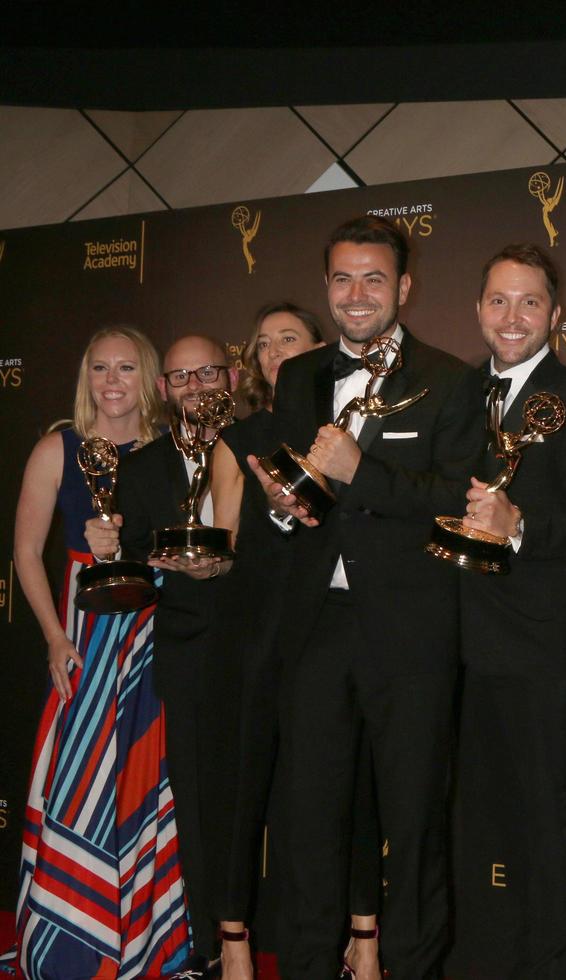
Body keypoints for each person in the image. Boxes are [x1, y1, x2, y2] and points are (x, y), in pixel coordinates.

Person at [246, 216, 483, 977]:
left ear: (404, 287)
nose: (357, 294)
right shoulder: (298, 375)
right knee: (309, 823)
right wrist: (283, 510)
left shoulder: (449, 379)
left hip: (411, 636)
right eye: (343, 279)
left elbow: (456, 500)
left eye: (374, 278)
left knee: (414, 827)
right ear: (327, 287)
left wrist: (361, 471)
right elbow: (294, 500)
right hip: (316, 630)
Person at [450, 244, 566, 979]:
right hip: (462, 644)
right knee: (481, 824)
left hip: (547, 648)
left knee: (551, 825)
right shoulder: (456, 398)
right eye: (497, 300)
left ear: (554, 314)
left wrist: (518, 524)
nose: (511, 316)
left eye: (528, 302)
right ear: (478, 310)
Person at [5, 326, 191, 980]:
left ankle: (150, 942)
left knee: (149, 781)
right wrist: (56, 636)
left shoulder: (176, 451)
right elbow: (25, 553)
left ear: (150, 379)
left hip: (154, 638)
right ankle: (68, 947)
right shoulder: (56, 450)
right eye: (99, 370)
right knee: (77, 783)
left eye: (126, 369)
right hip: (83, 641)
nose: (112, 382)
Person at [210, 303, 386, 980]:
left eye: (291, 338)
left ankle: (364, 937)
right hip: (260, 629)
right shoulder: (243, 436)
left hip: (339, 628)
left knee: (358, 783)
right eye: (264, 343)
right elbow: (226, 544)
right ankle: (234, 940)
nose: (277, 351)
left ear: (321, 349)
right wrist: (203, 561)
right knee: (248, 782)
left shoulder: (349, 433)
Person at [84, 333, 243, 975]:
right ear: (163, 390)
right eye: (180, 377)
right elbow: (133, 567)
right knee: (201, 806)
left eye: (206, 373)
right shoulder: (142, 467)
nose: (195, 387)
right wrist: (109, 548)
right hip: (189, 651)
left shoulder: (265, 444)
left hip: (272, 646)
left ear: (229, 377)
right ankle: (208, 948)